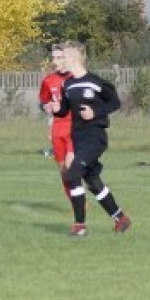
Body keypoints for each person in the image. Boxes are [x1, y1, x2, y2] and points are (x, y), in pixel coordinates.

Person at [50, 41, 131, 236]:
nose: (59, 61)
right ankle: (121, 219)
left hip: (95, 137)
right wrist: (57, 109)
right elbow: (64, 111)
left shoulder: (95, 82)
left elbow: (115, 103)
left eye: (63, 57)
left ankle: (79, 226)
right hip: (78, 138)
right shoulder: (67, 84)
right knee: (93, 182)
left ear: (74, 59)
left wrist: (95, 112)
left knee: (72, 174)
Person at [38, 43, 75, 204]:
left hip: (74, 127)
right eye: (53, 58)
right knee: (63, 171)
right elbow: (43, 102)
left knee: (71, 165)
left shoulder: (76, 78)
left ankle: (82, 196)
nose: (55, 61)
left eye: (59, 58)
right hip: (57, 128)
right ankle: (75, 202)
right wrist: (45, 107)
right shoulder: (48, 81)